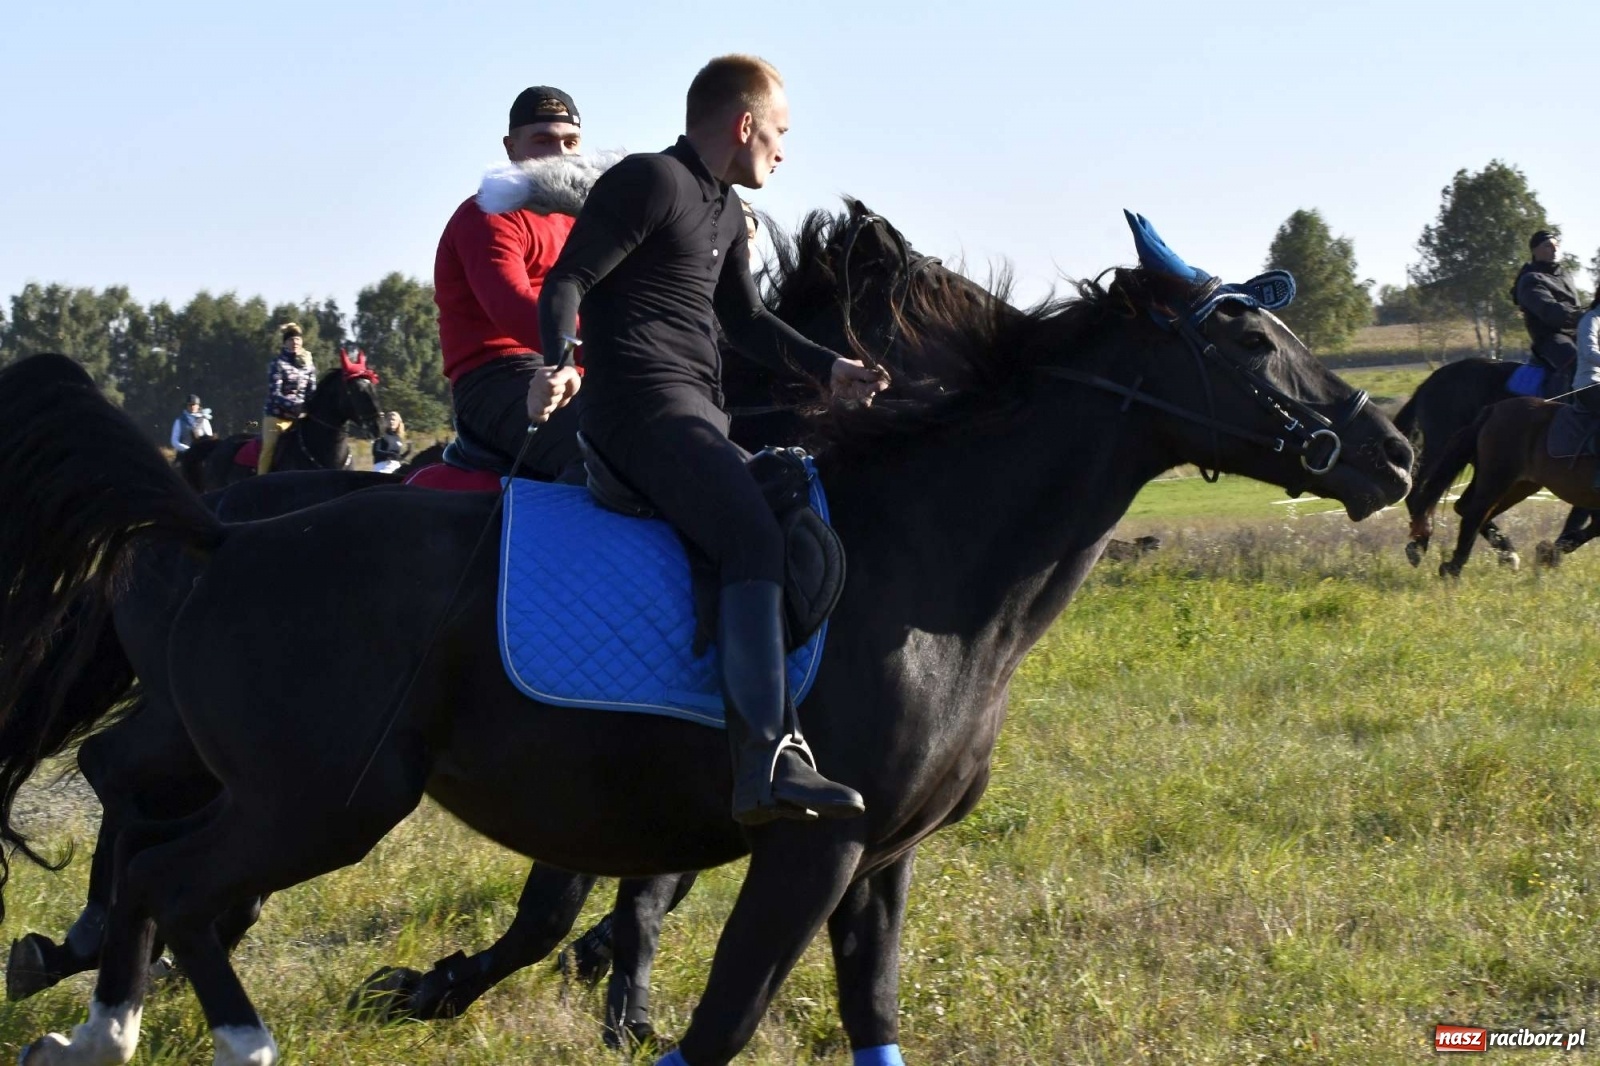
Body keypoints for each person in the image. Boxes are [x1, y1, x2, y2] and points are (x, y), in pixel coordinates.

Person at [536, 55, 887, 825]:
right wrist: (558, 363)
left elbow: (747, 323)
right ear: (744, 123)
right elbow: (567, 281)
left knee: (792, 508)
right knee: (750, 536)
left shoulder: (726, 212)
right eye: (780, 132)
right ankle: (766, 759)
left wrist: (831, 368)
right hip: (637, 410)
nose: (784, 151)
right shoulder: (650, 180)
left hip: (696, 415)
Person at [434, 85, 586, 481]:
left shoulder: (584, 221)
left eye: (571, 142)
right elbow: (514, 307)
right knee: (608, 449)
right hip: (497, 374)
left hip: (576, 366)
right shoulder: (485, 216)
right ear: (511, 147)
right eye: (543, 141)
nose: (560, 153)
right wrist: (613, 343)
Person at [1513, 229, 1582, 393]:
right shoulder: (1530, 279)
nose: (1555, 250)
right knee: (1579, 362)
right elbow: (1551, 312)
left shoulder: (1565, 276)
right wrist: (1583, 316)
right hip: (1550, 338)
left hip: (1577, 333)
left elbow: (1577, 307)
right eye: (1548, 246)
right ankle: (1571, 411)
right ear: (1534, 251)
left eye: (1557, 245)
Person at [259, 323, 317, 474]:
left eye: (297, 339)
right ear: (285, 343)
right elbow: (275, 394)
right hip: (276, 418)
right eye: (291, 339)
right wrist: (296, 406)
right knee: (269, 447)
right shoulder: (277, 364)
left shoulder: (309, 366)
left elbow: (312, 392)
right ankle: (259, 480)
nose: (295, 342)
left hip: (300, 419)